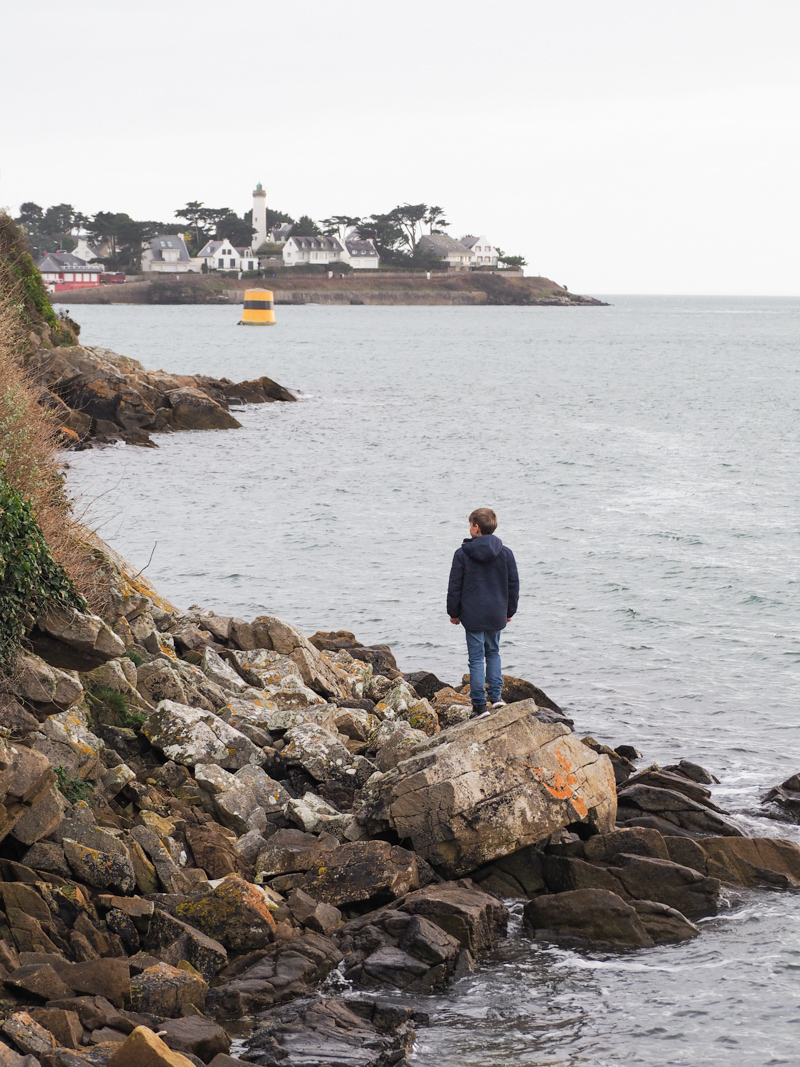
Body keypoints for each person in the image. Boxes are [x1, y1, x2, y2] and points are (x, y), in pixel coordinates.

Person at [447, 508, 519, 718]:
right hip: (497, 612)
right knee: (493, 652)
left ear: (476, 527)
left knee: (477, 659)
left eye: (470, 524)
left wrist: (454, 612)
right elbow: (513, 585)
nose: (469, 528)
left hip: (472, 614)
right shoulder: (505, 553)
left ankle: (479, 706)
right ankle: (496, 698)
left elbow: (455, 586)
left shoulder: (462, 554)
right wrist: (509, 610)